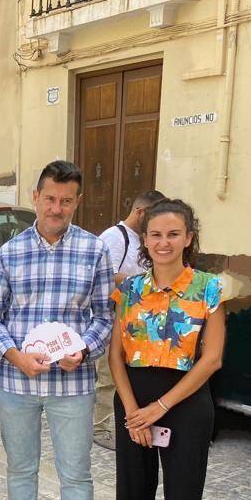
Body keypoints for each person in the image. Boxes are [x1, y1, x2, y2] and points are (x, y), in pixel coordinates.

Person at [0, 160, 114, 500]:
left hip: (72, 388)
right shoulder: (11, 253)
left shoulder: (94, 251)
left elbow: (104, 315)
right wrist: (15, 357)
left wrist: (85, 350)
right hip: (19, 386)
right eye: (50, 198)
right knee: (21, 469)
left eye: (67, 200)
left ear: (77, 202)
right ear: (35, 197)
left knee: (75, 475)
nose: (58, 208)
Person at [105, 199, 224, 500]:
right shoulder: (130, 290)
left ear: (188, 238)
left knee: (182, 490)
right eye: (155, 234)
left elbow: (211, 359)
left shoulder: (208, 287)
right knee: (134, 485)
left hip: (185, 400)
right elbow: (115, 354)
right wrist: (134, 407)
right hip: (135, 397)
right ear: (145, 239)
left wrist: (159, 407)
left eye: (173, 234)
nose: (164, 242)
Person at [93, 190, 166, 450]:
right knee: (107, 375)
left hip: (140, 321)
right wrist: (138, 284)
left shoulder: (143, 239)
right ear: (141, 213)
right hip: (115, 317)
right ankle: (100, 427)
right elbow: (100, 276)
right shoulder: (114, 238)